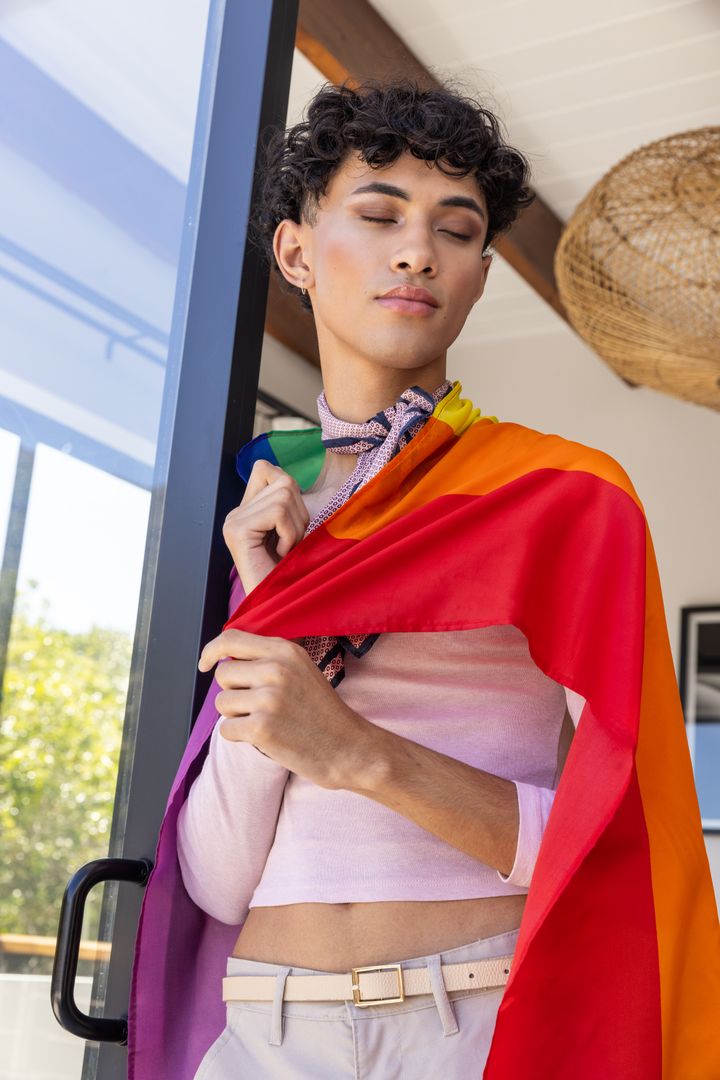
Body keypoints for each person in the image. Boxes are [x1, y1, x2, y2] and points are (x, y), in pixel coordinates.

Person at [127, 78, 720, 1080]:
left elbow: (619, 843)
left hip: (470, 1023)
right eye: (379, 215)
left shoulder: (562, 498)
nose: (417, 252)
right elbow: (219, 882)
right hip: (262, 1029)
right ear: (296, 253)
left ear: (480, 277)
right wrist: (278, 616)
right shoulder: (265, 513)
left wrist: (360, 753)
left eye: (456, 229)